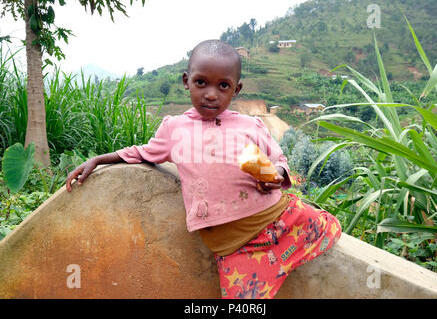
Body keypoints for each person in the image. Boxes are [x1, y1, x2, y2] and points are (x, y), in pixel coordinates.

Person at [66, 39, 341, 299]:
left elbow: (278, 159)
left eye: (223, 86)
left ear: (237, 89)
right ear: (187, 82)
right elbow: (141, 152)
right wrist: (99, 159)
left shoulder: (250, 126)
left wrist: (277, 175)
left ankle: (281, 254)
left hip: (279, 218)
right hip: (235, 247)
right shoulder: (174, 129)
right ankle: (275, 260)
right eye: (201, 83)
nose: (211, 95)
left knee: (328, 228)